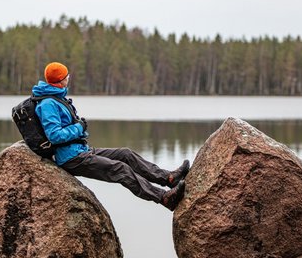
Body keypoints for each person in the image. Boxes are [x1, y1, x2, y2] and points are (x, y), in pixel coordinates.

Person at [32, 62, 190, 211]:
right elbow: (54, 135)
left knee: (125, 154)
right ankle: (164, 198)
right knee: (119, 169)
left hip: (80, 150)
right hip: (70, 158)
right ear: (60, 81)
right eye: (67, 76)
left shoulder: (56, 98)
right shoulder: (48, 104)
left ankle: (169, 178)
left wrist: (78, 128)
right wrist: (78, 127)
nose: (69, 78)